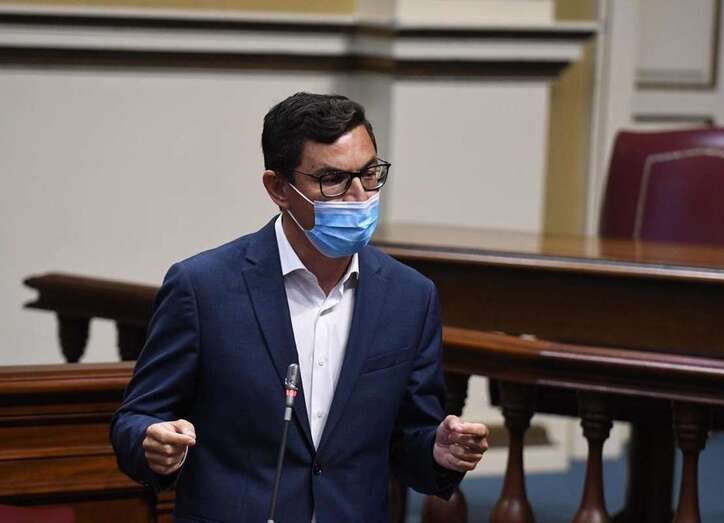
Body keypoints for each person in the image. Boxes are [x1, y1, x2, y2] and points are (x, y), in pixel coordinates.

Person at [111, 92, 489, 523]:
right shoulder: (203, 289)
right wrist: (153, 442)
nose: (359, 195)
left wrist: (438, 451)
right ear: (278, 189)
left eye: (369, 173)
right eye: (333, 179)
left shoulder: (409, 296)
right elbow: (135, 419)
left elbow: (409, 438)